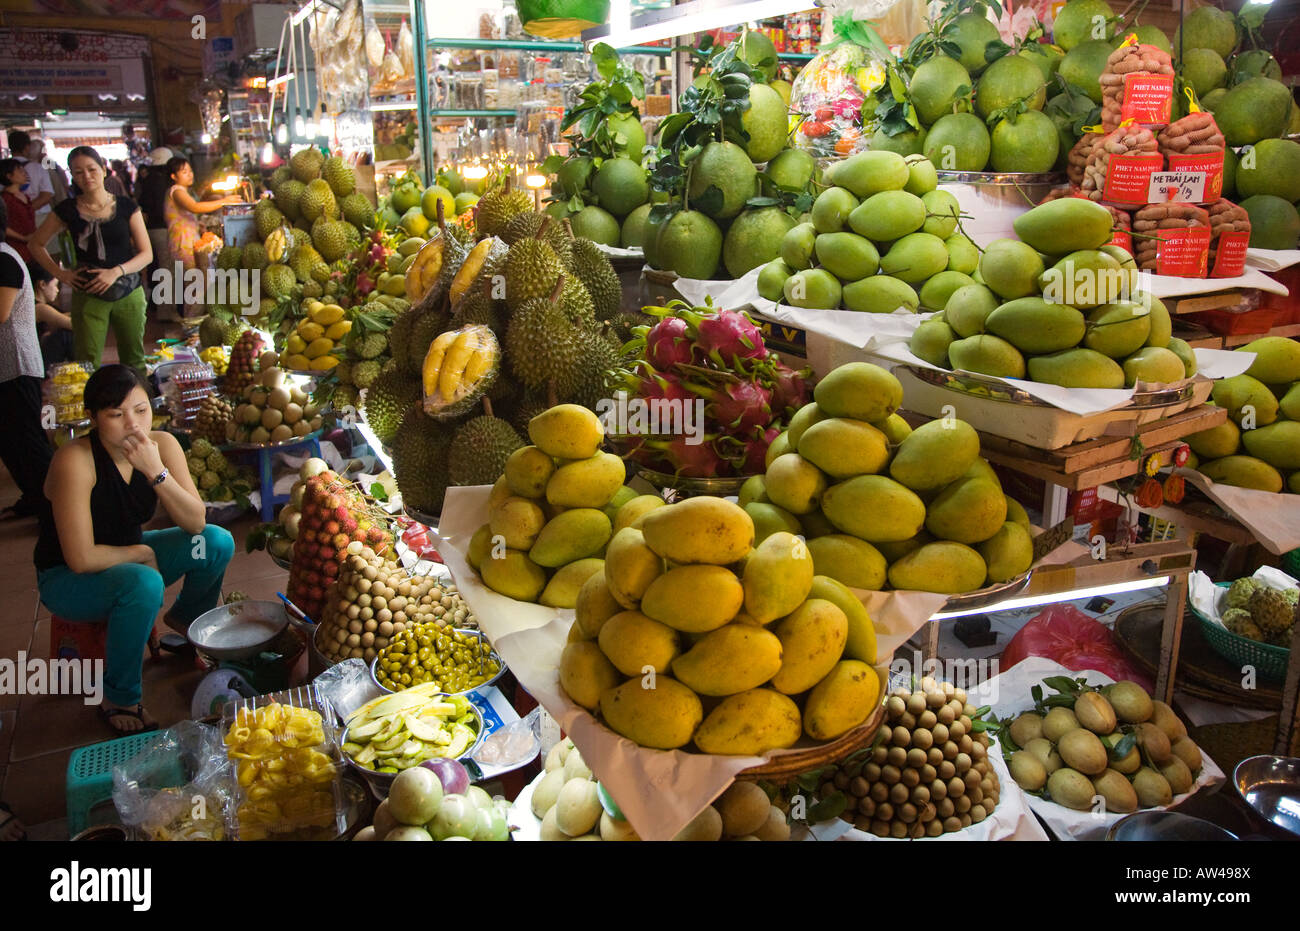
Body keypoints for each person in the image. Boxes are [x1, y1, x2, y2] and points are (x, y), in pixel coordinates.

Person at [34, 364, 234, 734]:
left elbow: (195, 523)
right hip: (66, 577)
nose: (133, 424)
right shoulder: (75, 461)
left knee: (215, 542)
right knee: (144, 583)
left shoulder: (164, 445)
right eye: (115, 414)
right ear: (93, 417)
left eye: (141, 410)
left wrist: (155, 471)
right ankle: (119, 695)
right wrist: (140, 555)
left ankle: (188, 621)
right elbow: (80, 558)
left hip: (128, 554)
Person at [28, 146, 153, 371]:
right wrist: (61, 275)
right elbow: (35, 244)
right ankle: (93, 405)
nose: (86, 176)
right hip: (88, 293)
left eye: (91, 169)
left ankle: (140, 404)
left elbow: (146, 254)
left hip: (128, 290)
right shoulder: (66, 210)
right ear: (72, 176)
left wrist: (115, 272)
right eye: (78, 172)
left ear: (104, 170)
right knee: (87, 363)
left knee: (135, 360)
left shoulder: (126, 206)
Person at [0, 197, 54, 520]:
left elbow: (1, 312)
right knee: (10, 440)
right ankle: (35, 497)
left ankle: (54, 505)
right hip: (5, 367)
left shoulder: (5, 260)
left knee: (29, 441)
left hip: (17, 364)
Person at [164, 156, 240, 317]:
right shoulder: (176, 190)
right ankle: (192, 326)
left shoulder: (182, 191)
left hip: (188, 243)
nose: (190, 174)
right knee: (195, 286)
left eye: (190, 171)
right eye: (184, 172)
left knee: (196, 285)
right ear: (173, 176)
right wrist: (225, 201)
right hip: (182, 244)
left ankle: (193, 324)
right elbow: (195, 207)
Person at [136, 148, 177, 322]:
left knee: (156, 268)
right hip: (161, 230)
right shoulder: (162, 182)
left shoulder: (146, 180)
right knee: (166, 270)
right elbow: (163, 210)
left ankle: (155, 305)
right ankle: (166, 312)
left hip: (149, 230)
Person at [31, 266, 74, 372]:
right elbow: (72, 324)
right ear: (42, 285)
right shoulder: (40, 308)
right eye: (55, 285)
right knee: (66, 335)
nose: (57, 290)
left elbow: (62, 316)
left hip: (37, 356)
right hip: (35, 361)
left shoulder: (40, 306)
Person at [10, 132, 55, 227]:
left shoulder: (2, 168)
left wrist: (19, 213)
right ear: (27, 147)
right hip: (39, 217)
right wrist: (27, 210)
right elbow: (46, 195)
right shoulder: (38, 168)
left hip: (11, 220)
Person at [0, 158, 35, 265]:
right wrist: (23, 238)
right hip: (15, 246)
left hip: (32, 246)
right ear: (9, 176)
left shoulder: (25, 196)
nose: (24, 173)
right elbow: (2, 226)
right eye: (19, 170)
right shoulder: (5, 199)